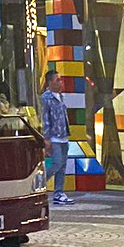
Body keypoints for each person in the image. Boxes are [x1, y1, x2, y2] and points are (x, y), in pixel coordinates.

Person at [40, 69, 73, 206]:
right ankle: (39, 183)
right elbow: (45, 118)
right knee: (57, 163)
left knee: (62, 166)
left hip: (64, 137)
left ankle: (59, 193)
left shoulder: (61, 97)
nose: (60, 82)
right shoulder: (46, 98)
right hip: (54, 138)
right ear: (49, 83)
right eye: (57, 80)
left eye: (60, 80)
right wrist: (46, 138)